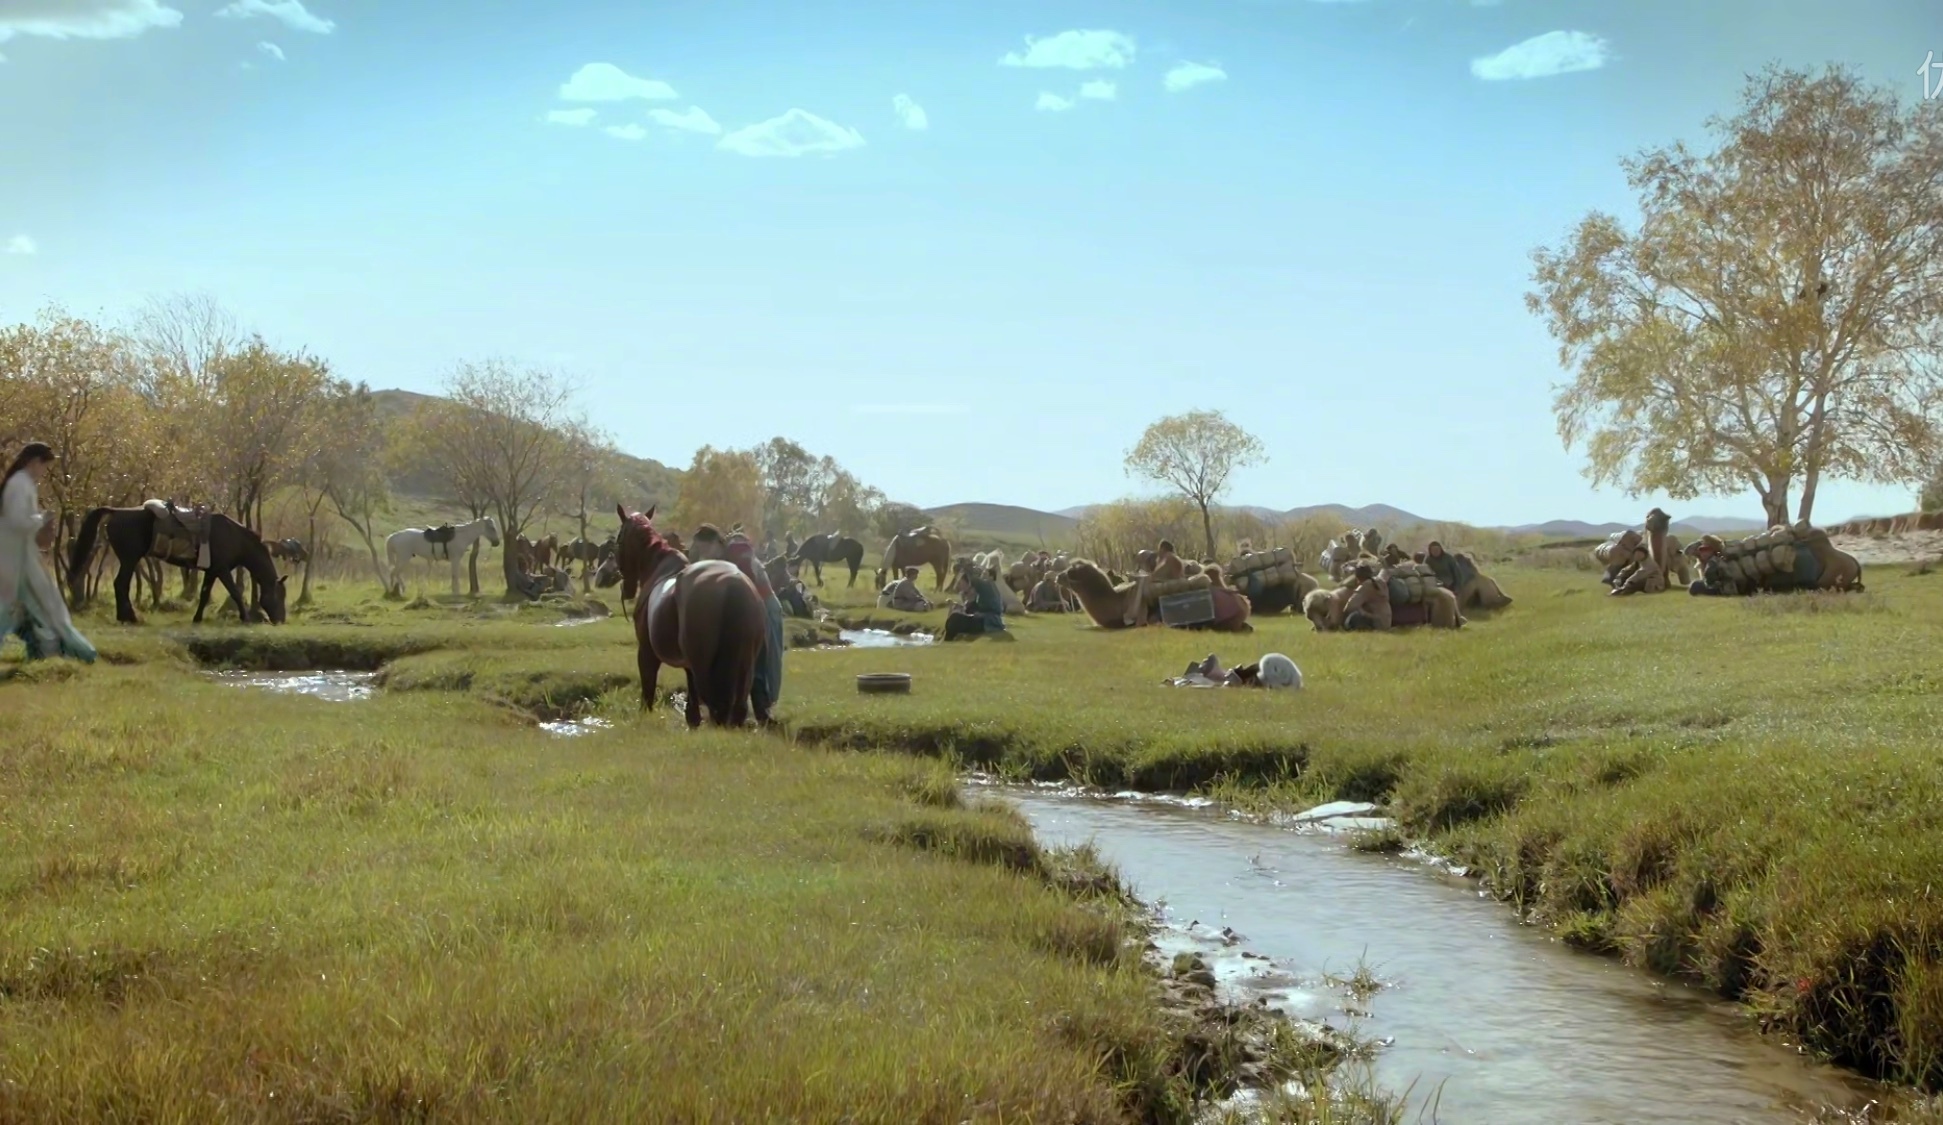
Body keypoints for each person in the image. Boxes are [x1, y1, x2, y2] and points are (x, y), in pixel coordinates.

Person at [1, 443, 96, 664]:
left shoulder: (21, 484)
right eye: (44, 466)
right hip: (16, 559)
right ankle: (55, 653)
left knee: (32, 607)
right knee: (43, 606)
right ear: (35, 462)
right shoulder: (20, 485)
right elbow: (16, 522)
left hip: (18, 556)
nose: (44, 472)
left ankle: (50, 653)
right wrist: (40, 520)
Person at [690, 524, 785, 716]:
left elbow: (747, 586)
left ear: (717, 542)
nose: (704, 554)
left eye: (705, 548)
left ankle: (765, 707)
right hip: (747, 611)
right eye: (700, 550)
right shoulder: (722, 558)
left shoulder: (737, 550)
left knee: (764, 658)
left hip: (765, 606)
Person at [944, 562, 1008, 641]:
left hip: (988, 621)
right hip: (984, 620)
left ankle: (948, 640)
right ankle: (948, 639)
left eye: (960, 583)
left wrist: (966, 568)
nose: (959, 586)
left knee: (955, 618)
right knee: (955, 617)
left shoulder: (985, 586)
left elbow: (974, 579)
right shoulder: (980, 590)